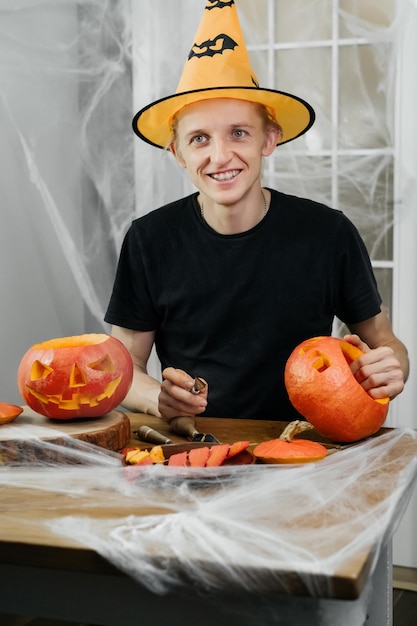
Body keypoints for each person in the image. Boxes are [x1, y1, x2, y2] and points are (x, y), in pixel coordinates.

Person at [105, 0, 408, 424]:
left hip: (307, 443)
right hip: (196, 444)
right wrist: (159, 397)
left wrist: (391, 367)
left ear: (269, 140)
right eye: (199, 139)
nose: (220, 155)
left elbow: (386, 344)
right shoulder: (149, 239)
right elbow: (123, 369)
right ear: (177, 153)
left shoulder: (328, 233)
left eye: (239, 133)